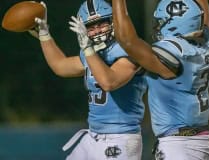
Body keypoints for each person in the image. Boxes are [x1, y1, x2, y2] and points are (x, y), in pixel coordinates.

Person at [29, 0, 147, 160]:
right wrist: (44, 35)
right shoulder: (90, 54)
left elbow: (109, 82)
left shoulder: (127, 51)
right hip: (93, 136)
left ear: (112, 22)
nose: (97, 31)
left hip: (120, 138)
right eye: (91, 27)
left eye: (101, 24)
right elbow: (60, 66)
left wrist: (88, 49)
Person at [112, 0, 209, 159]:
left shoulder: (173, 55)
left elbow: (127, 40)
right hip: (203, 138)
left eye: (161, 22)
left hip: (179, 144)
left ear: (173, 23)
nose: (157, 26)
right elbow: (203, 16)